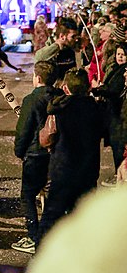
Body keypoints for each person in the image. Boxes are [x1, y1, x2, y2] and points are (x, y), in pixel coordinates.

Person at [37, 69, 107, 245]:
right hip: (88, 170)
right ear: (87, 87)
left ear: (66, 88)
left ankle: (42, 255)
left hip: (63, 169)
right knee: (83, 217)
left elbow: (47, 139)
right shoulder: (96, 108)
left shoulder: (58, 107)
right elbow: (105, 131)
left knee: (52, 216)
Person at [11, 61, 59, 255]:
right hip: (56, 153)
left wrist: (19, 151)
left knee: (28, 195)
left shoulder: (31, 100)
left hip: (35, 153)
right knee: (50, 193)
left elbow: (24, 129)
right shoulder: (60, 96)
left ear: (37, 78)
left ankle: (33, 236)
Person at [92, 42, 127, 186]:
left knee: (119, 146)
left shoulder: (124, 72)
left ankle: (119, 174)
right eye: (118, 54)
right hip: (112, 114)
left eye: (123, 54)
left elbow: (115, 92)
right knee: (115, 145)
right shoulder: (115, 68)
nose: (120, 57)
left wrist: (99, 90)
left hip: (119, 116)